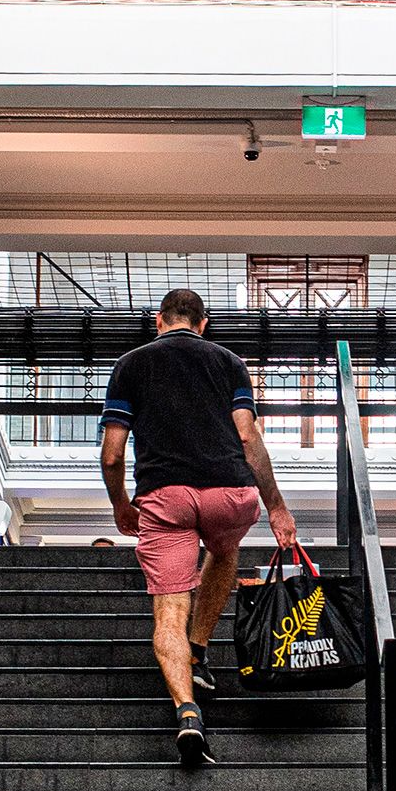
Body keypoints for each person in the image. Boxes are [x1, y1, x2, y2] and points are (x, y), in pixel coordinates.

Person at [100, 288, 300, 764]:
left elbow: (111, 454)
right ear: (203, 323)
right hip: (229, 493)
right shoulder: (230, 363)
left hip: (165, 497)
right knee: (225, 550)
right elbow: (249, 437)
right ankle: (200, 649)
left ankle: (188, 713)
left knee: (168, 610)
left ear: (159, 320)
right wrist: (276, 507)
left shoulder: (130, 365)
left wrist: (121, 505)